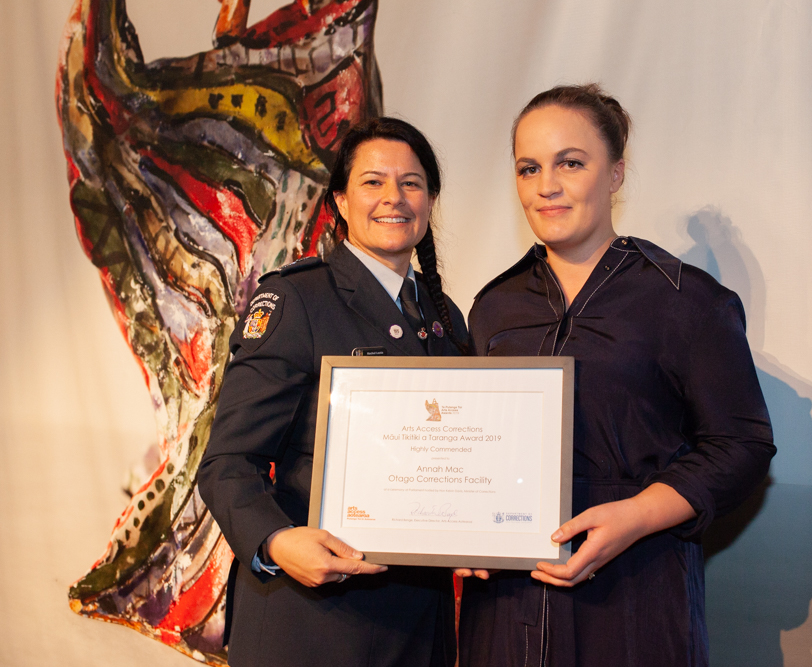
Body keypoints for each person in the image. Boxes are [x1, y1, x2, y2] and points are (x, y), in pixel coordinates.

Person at [456, 84, 776, 666]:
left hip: (637, 592)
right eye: (529, 168)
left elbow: (742, 443)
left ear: (616, 174)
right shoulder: (492, 308)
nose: (546, 185)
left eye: (570, 163)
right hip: (505, 604)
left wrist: (637, 515)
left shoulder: (687, 299)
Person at [198, 117, 466, 667]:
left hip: (420, 624)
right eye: (373, 182)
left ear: (431, 199)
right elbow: (228, 462)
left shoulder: (447, 320)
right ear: (341, 201)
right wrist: (275, 541)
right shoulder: (298, 300)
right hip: (312, 619)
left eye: (411, 183)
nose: (393, 197)